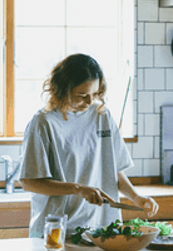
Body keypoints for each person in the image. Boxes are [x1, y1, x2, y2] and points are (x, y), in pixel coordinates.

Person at [20, 53, 158, 237]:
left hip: (102, 230)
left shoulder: (102, 116)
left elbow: (113, 169)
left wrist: (136, 197)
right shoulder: (43, 123)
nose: (90, 101)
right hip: (59, 231)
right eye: (82, 95)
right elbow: (29, 182)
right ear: (61, 89)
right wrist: (78, 189)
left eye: (95, 94)